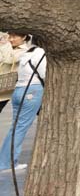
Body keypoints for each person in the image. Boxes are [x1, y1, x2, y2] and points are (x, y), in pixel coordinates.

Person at [0, 33, 45, 172]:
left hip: (18, 90)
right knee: (19, 128)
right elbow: (44, 74)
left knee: (16, 127)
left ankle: (6, 160)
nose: (11, 39)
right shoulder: (40, 53)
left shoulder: (26, 53)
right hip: (32, 91)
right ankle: (6, 162)